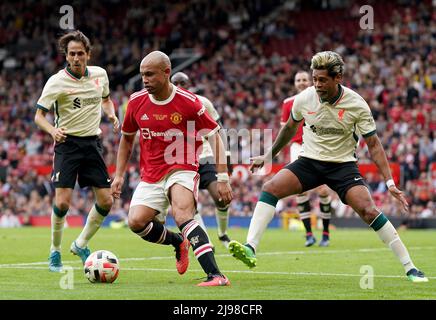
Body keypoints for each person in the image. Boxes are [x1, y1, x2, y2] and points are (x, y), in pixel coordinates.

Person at [229, 51, 428, 283]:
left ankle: (410, 268)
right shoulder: (304, 98)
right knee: (270, 187)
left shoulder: (357, 104)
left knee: (369, 211)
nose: (317, 85)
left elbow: (374, 145)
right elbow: (290, 129)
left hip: (342, 166)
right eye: (315, 79)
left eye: (322, 80)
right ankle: (250, 247)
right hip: (310, 162)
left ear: (338, 78)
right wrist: (269, 154)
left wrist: (390, 182)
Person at [111, 51, 232, 286]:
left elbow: (215, 136)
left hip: (182, 167)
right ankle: (178, 242)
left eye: (150, 74)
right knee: (136, 222)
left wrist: (223, 176)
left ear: (166, 73)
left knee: (182, 214)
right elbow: (126, 139)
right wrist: (118, 175)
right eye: (142, 75)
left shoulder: (189, 102)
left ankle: (216, 275)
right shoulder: (136, 101)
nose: (144, 79)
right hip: (152, 173)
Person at [35, 30, 120, 272]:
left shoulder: (100, 75)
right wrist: (53, 131)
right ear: (66, 56)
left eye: (80, 53)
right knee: (62, 203)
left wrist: (112, 114)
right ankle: (54, 252)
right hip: (68, 145)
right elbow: (38, 116)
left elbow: (106, 99)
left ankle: (81, 244)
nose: (76, 58)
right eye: (71, 54)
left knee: (106, 200)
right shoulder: (56, 81)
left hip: (92, 143)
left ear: (88, 55)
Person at [171, 71, 232, 248]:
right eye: (177, 83)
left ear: (190, 85)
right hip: (183, 160)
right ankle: (206, 240)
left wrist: (226, 157)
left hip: (205, 156)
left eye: (184, 83)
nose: (180, 86)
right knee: (189, 204)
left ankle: (222, 234)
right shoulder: (167, 105)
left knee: (221, 198)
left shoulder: (202, 102)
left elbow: (218, 129)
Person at [280, 70, 333, 247]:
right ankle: (309, 234)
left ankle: (325, 233)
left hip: (317, 146)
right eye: (298, 80)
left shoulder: (318, 98)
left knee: (323, 191)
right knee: (300, 190)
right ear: (295, 83)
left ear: (309, 81)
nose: (302, 82)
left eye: (304, 79)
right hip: (298, 147)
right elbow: (285, 129)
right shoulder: (288, 103)